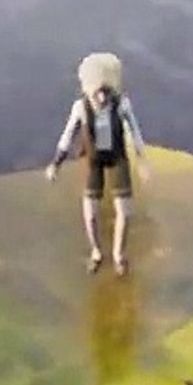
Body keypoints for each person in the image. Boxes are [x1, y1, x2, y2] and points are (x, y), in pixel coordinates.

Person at [45, 52, 151, 276]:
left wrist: (142, 161)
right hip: (93, 160)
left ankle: (118, 255)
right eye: (98, 93)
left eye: (107, 92)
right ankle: (96, 251)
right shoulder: (81, 108)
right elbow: (67, 136)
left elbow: (135, 133)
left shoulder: (121, 105)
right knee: (90, 212)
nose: (103, 98)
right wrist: (56, 164)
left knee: (124, 210)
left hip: (117, 157)